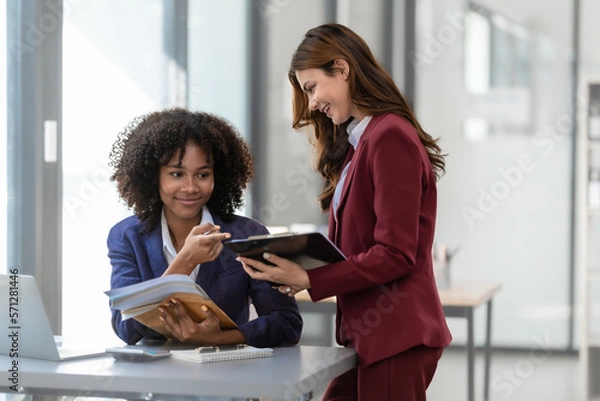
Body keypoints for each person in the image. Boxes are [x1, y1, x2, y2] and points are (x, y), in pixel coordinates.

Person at [239, 23, 452, 400]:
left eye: (312, 88)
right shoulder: (362, 143)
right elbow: (358, 248)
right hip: (373, 337)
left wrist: (310, 278)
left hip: (395, 335)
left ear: (341, 69)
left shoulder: (389, 137)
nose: (312, 103)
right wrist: (297, 267)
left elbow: (396, 254)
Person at [107, 107, 302, 348]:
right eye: (176, 174)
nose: (190, 187)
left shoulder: (246, 234)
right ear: (152, 177)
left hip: (228, 375)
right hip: (157, 377)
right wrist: (185, 261)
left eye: (202, 175)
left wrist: (220, 338)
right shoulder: (127, 236)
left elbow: (287, 324)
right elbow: (126, 329)